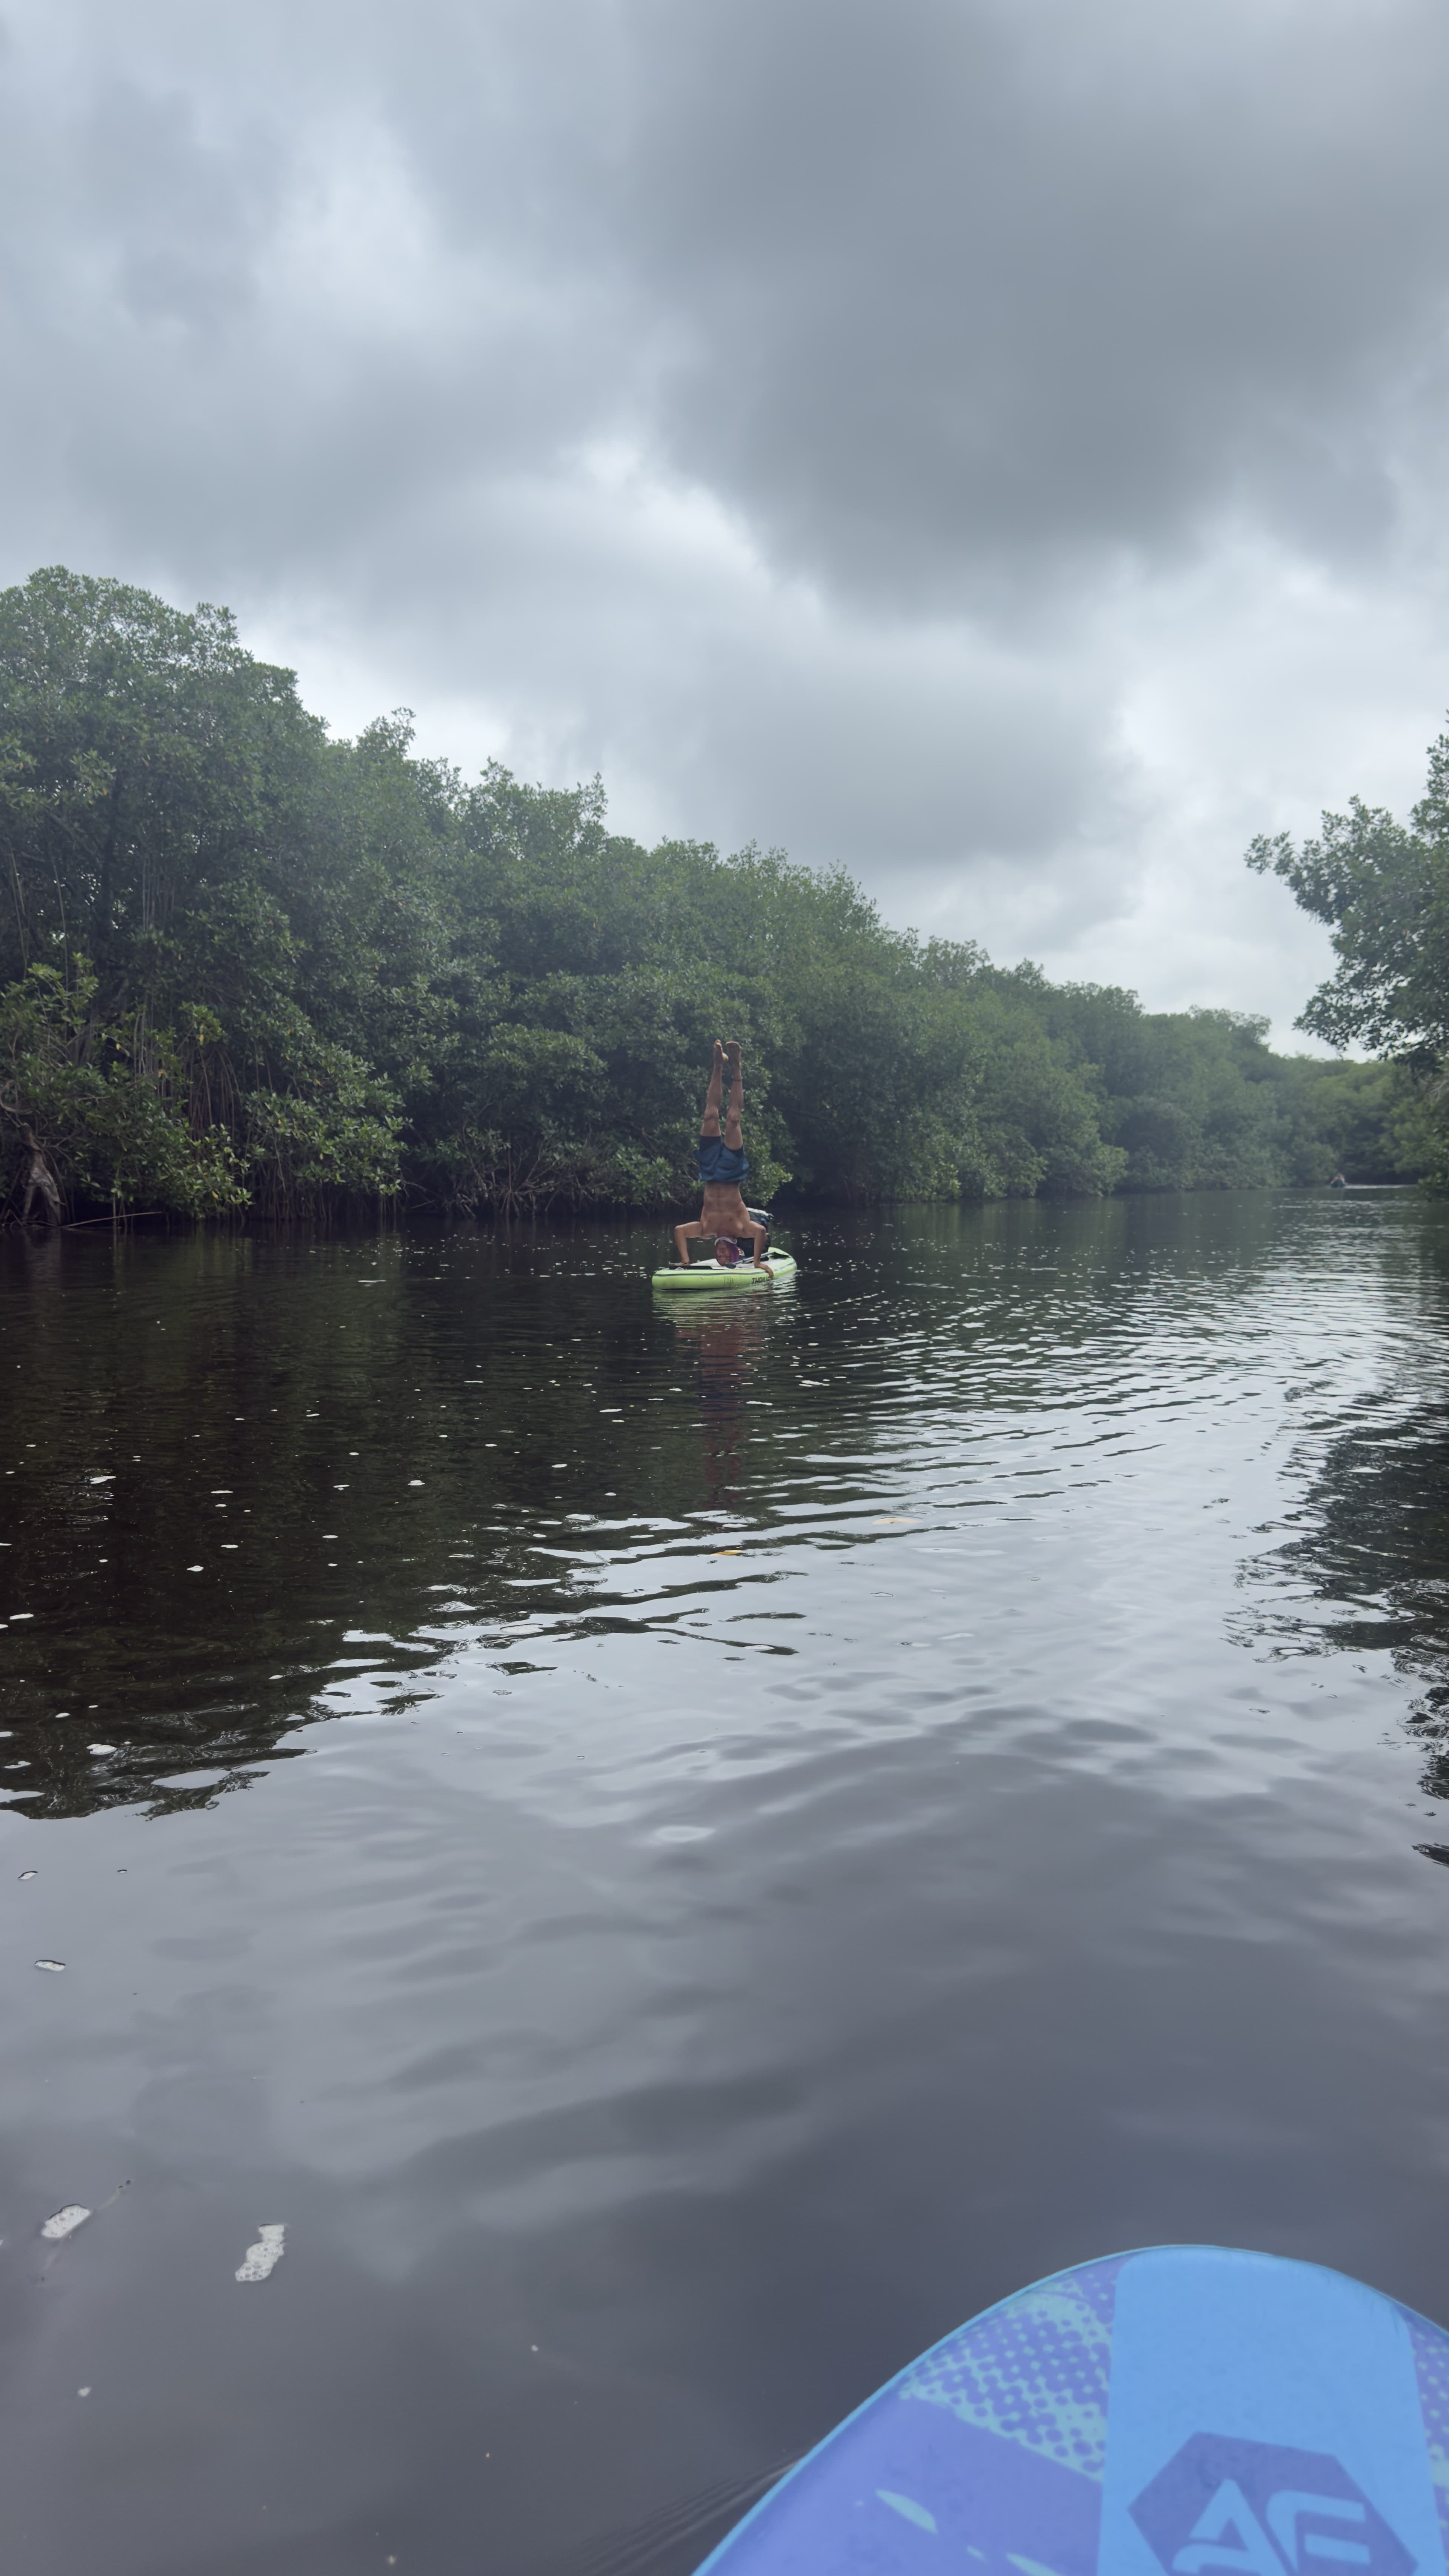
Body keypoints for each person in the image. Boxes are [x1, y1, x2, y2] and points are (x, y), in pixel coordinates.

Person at [673, 1040, 772, 1269]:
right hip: (731, 1171)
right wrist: (757, 1262)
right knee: (732, 1119)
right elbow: (761, 1231)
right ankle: (735, 1067)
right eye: (726, 1255)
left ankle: (719, 1064)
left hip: (709, 1172)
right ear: (734, 1249)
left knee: (710, 1115)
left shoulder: (706, 1229)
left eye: (720, 1256)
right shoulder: (741, 1228)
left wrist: (686, 1260)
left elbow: (679, 1231)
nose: (722, 1254)